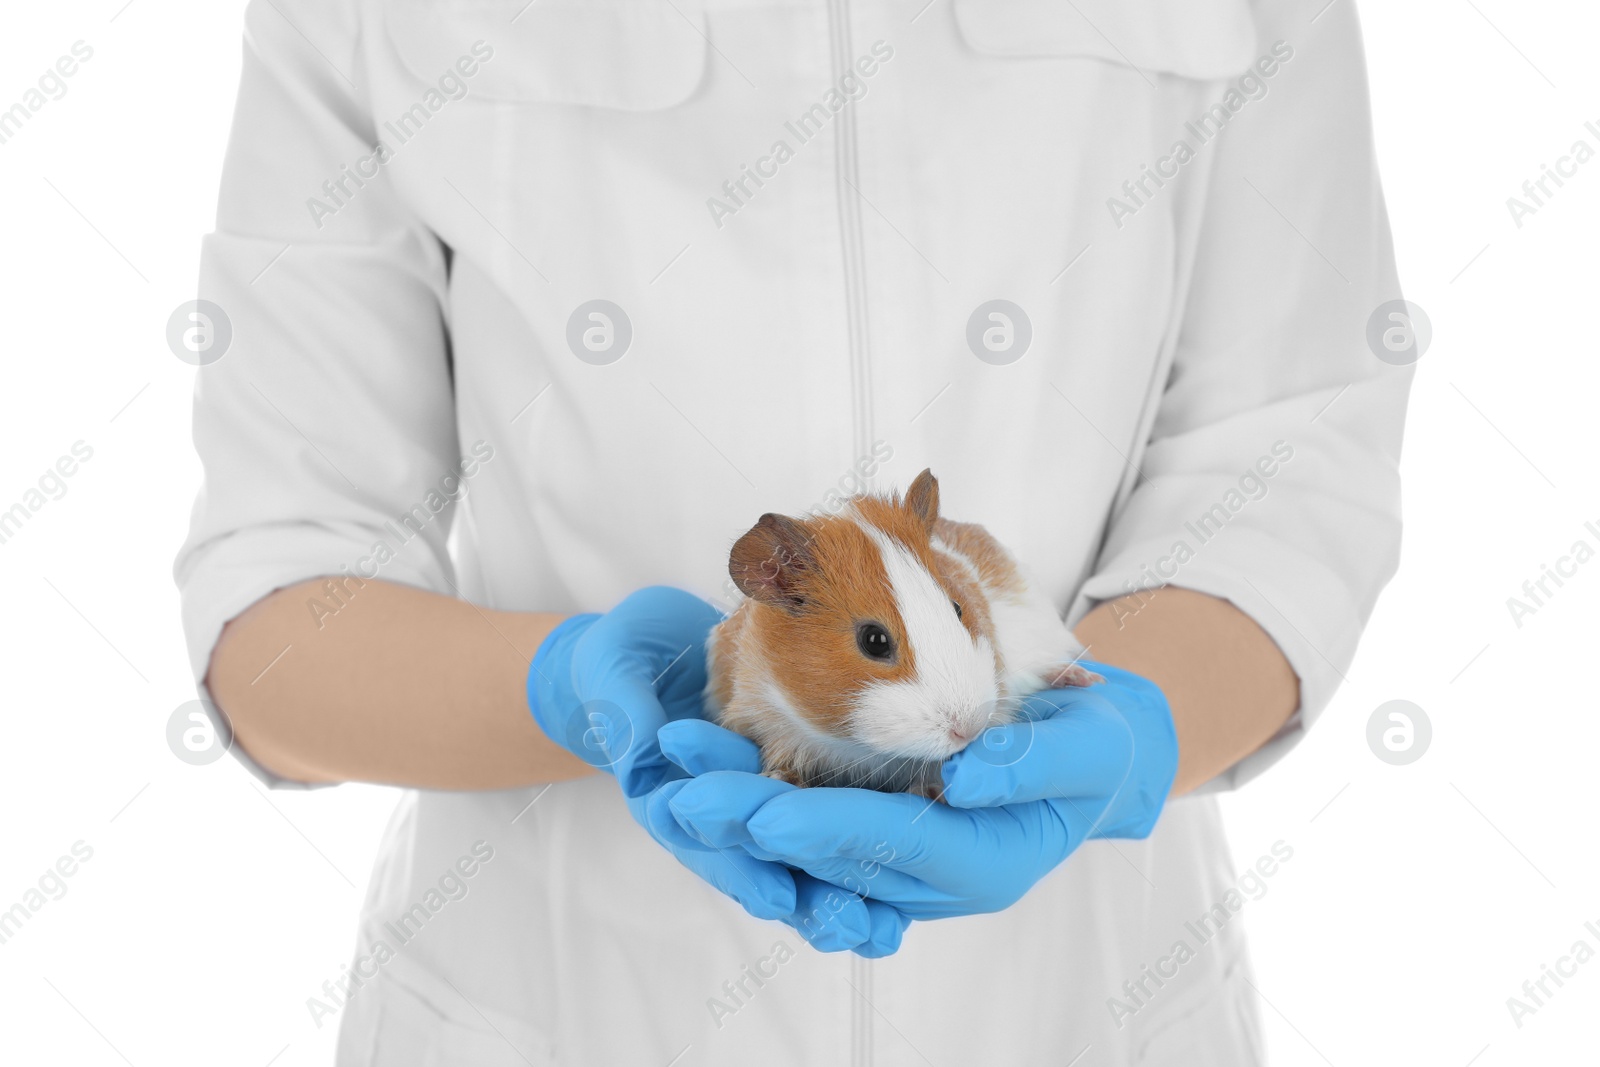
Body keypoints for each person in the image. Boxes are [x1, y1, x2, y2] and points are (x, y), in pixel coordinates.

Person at [176, 0, 1411, 1062]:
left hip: (1087, 1003)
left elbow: (1292, 452)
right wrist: (564, 688)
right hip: (558, 1001)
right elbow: (282, 585)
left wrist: (1133, 726)